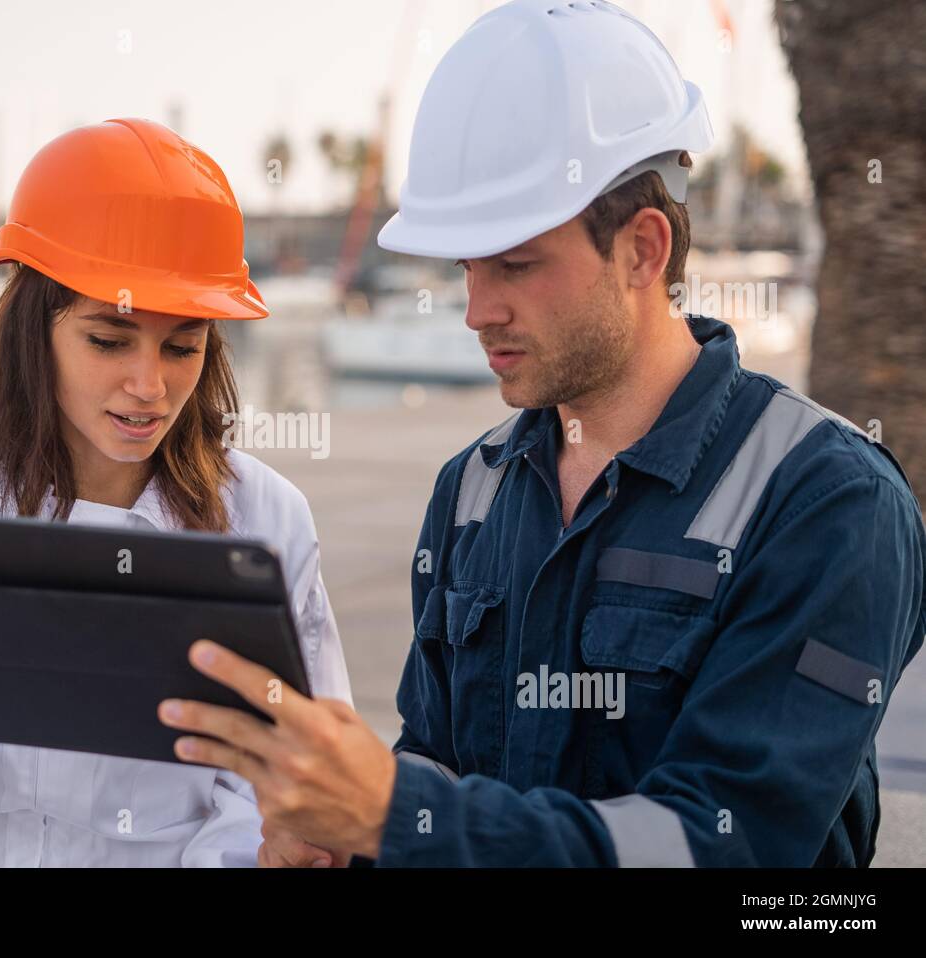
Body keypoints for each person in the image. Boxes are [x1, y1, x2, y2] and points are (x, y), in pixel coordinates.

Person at [158, 0, 926, 866]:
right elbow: (442, 767)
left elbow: (727, 843)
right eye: (467, 270)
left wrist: (392, 813)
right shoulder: (473, 489)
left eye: (517, 264)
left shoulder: (830, 503)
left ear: (643, 250)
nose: (478, 312)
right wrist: (347, 837)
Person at [0, 118, 353, 867]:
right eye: (109, 340)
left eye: (182, 346)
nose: (150, 387)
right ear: (32, 330)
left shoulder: (267, 521)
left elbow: (284, 793)